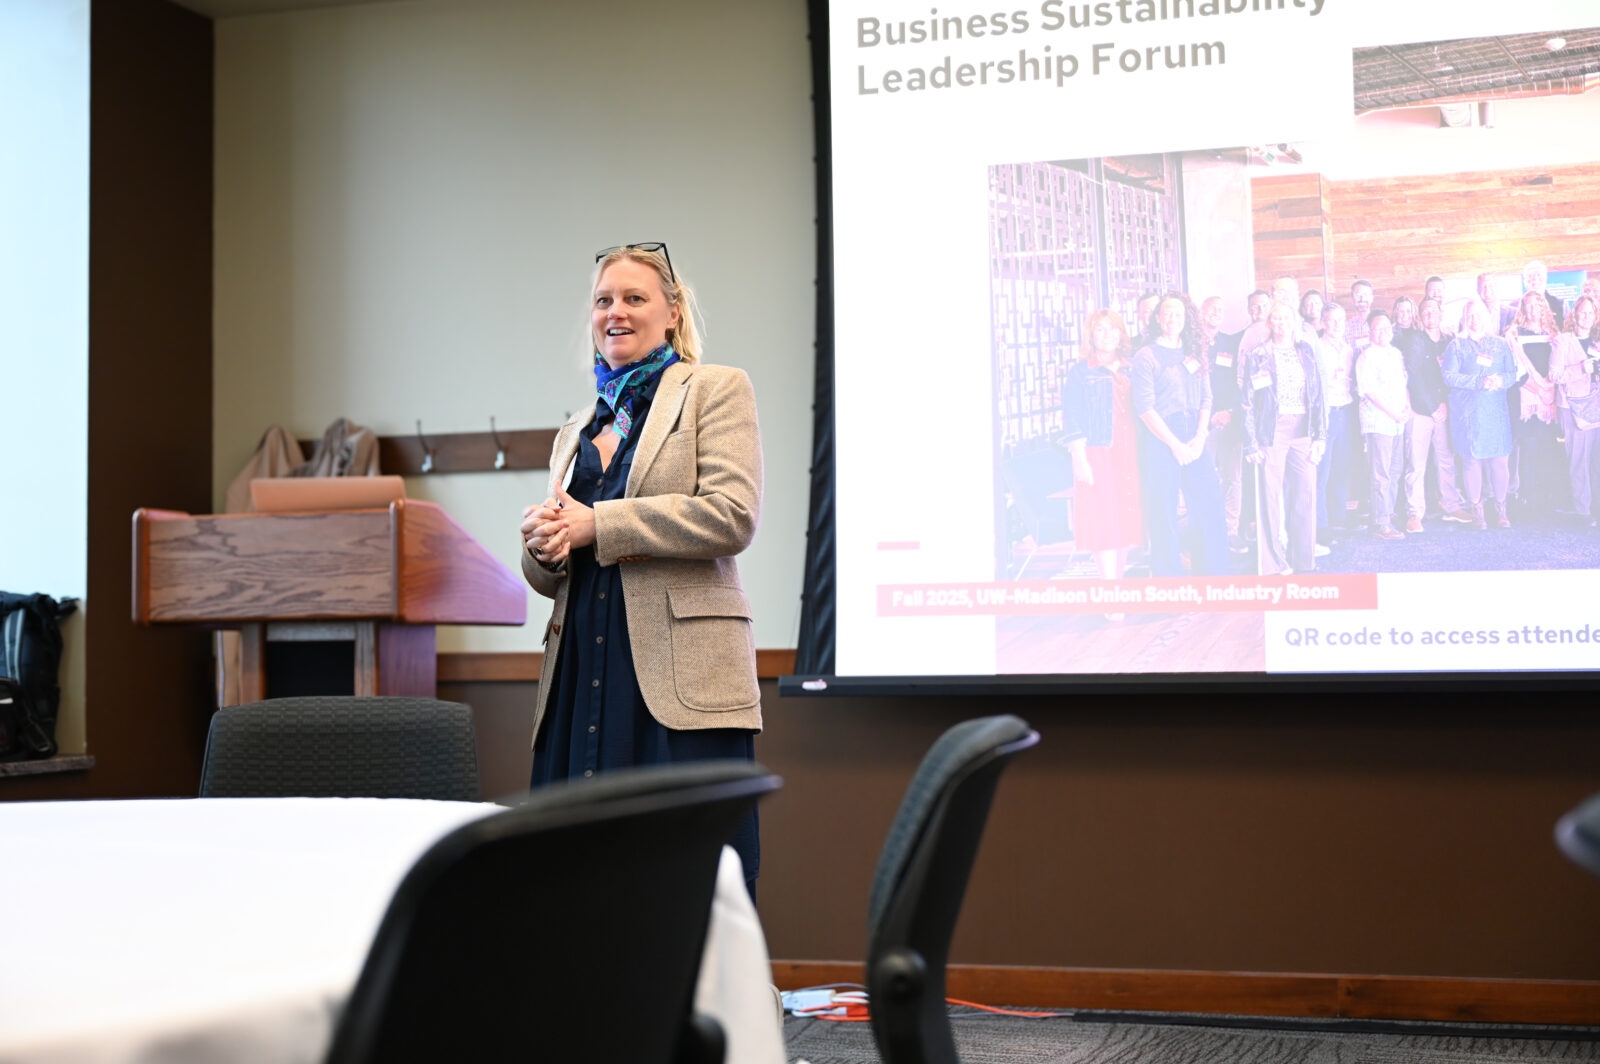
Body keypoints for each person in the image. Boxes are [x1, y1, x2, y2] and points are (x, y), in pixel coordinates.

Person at [519, 243, 764, 895]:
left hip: (675, 680)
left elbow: (731, 515)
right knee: (573, 878)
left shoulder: (714, 390)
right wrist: (543, 547)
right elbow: (555, 575)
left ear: (672, 314)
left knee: (686, 882)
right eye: (603, 301)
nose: (615, 313)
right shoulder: (575, 429)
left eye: (634, 298)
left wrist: (599, 524)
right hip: (580, 679)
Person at [1130, 293, 1231, 576]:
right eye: (1167, 314)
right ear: (1158, 319)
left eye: (1179, 314)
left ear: (1186, 319)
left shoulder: (1194, 353)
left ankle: (1215, 575)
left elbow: (1206, 398)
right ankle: (1169, 582)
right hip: (1161, 437)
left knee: (1210, 503)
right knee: (1164, 511)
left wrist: (1200, 438)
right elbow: (1145, 407)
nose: (1173, 319)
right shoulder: (1146, 356)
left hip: (1195, 435)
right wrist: (1175, 445)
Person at [1241, 303, 1326, 574]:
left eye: (1286, 317)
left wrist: (1320, 437)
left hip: (1303, 431)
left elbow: (1318, 395)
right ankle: (1273, 563)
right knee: (1269, 499)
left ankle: (1303, 559)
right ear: (1269, 323)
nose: (1281, 322)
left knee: (1305, 496)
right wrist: (1251, 441)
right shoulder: (1258, 355)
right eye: (1275, 318)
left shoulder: (1307, 351)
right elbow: (1247, 402)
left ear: (1294, 321)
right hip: (1271, 433)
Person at [1061, 309, 1144, 585]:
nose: (1107, 335)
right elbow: (1071, 417)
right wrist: (1079, 458)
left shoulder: (1132, 366)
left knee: (1125, 519)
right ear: (1091, 336)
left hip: (1131, 452)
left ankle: (1117, 582)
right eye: (1100, 329)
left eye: (1113, 329)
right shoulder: (1080, 372)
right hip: (1098, 453)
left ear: (1121, 334)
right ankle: (1110, 589)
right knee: (1103, 519)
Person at [1443, 299, 1519, 530]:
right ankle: (1477, 510)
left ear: (1486, 317)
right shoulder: (1455, 346)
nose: (1474, 319)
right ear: (1465, 318)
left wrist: (1500, 380)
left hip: (1495, 412)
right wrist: (1478, 381)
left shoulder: (1500, 344)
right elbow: (1449, 376)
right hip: (1469, 413)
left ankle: (1501, 508)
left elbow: (1512, 374)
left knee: (1500, 460)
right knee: (1472, 461)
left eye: (1478, 314)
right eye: (1470, 315)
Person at [1398, 298, 1473, 528]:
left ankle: (1451, 504)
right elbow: (1415, 376)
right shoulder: (1414, 340)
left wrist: (1446, 405)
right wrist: (1433, 407)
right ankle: (1414, 513)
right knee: (1416, 464)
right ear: (1420, 317)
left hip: (1445, 410)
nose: (1430, 315)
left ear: (1441, 314)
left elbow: (1457, 374)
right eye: (1425, 312)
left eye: (1433, 311)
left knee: (1446, 460)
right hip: (1420, 411)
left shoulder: (1450, 342)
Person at [1503, 289, 1563, 516]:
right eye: (1527, 305)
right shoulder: (1514, 334)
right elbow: (1515, 369)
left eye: (1536, 305)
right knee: (1528, 449)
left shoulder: (1553, 333)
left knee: (1547, 449)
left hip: (1549, 401)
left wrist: (1547, 391)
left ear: (1543, 307)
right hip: (1526, 400)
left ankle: (1546, 501)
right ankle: (1527, 501)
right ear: (1522, 308)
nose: (1532, 309)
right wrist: (1537, 389)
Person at [1200, 296, 1248, 553]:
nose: (1216, 313)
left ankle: (1231, 530)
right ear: (1201, 312)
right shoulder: (1190, 344)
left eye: (1221, 309)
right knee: (1203, 478)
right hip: (1200, 423)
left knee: (1233, 478)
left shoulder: (1230, 343)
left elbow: (1238, 380)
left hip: (1229, 420)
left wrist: (1228, 411)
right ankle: (1207, 531)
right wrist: (1206, 416)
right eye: (1211, 309)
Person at [1355, 312, 1409, 540]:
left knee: (1395, 470)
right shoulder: (1367, 356)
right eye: (1377, 329)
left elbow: (1403, 383)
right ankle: (1382, 523)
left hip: (1398, 422)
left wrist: (1405, 407)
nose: (1383, 333)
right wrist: (1394, 413)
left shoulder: (1396, 353)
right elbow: (1370, 392)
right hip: (1379, 423)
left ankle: (1387, 512)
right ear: (1370, 332)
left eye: (1387, 328)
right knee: (1381, 474)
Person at [1549, 295, 1600, 525]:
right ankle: (1584, 512)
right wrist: (1581, 368)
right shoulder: (1563, 341)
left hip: (1597, 406)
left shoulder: (1597, 340)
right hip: (1573, 409)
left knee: (1597, 461)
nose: (1587, 317)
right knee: (1579, 461)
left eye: (1591, 313)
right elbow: (1554, 375)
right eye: (1583, 312)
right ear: (1575, 314)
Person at [1315, 302, 1358, 542]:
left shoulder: (1348, 348)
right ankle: (1321, 524)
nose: (1336, 325)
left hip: (1345, 410)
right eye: (1331, 320)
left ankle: (1338, 518)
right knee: (1323, 470)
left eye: (1340, 320)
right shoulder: (1317, 347)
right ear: (1322, 322)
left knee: (1341, 467)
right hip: (1327, 412)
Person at [1346, 280, 1375, 350]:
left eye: (1366, 294)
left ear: (1372, 298)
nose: (1362, 299)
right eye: (1358, 295)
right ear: (1352, 299)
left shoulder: (1380, 323)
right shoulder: (1346, 327)